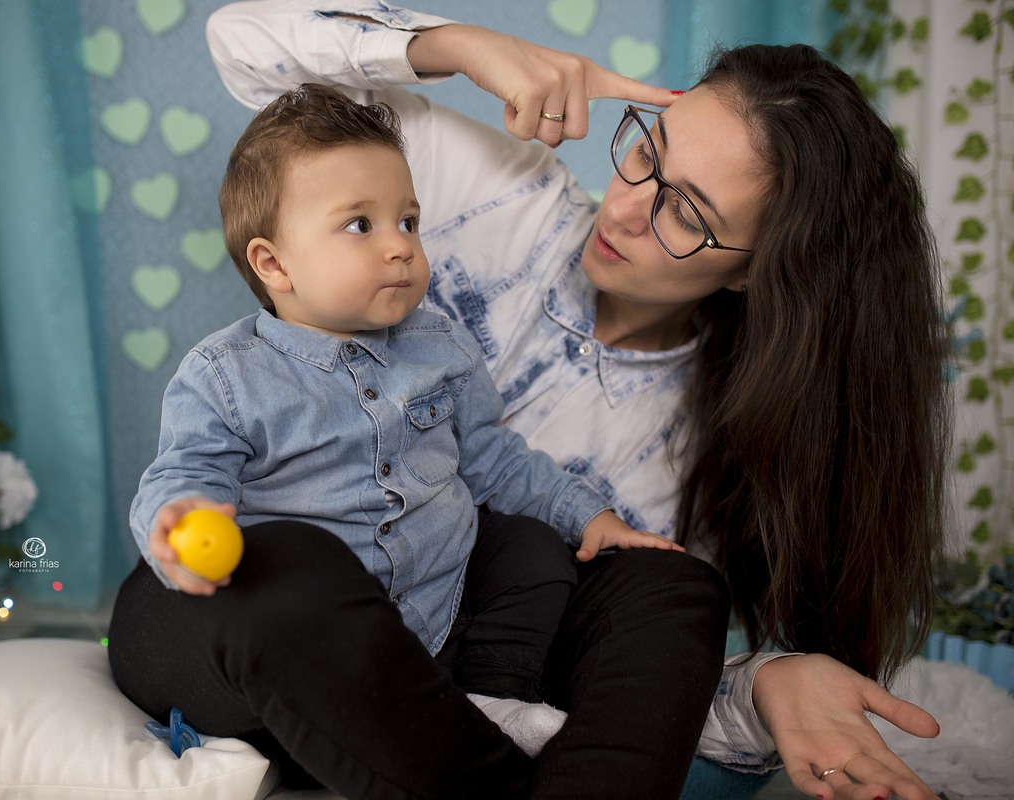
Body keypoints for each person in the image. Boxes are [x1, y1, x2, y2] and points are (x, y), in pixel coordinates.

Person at [201, 3, 953, 800]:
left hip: (466, 671)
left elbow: (634, 684)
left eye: (686, 213)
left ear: (756, 273)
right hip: (288, 618)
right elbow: (243, 48)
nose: (626, 206)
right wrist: (454, 46)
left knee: (670, 588)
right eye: (645, 153)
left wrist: (772, 683)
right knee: (290, 570)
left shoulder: (717, 446)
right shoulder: (493, 195)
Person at [108, 81, 720, 799]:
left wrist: (591, 517)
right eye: (360, 226)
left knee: (528, 548)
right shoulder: (228, 374)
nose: (400, 246)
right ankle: (443, 748)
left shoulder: (439, 346)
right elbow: (186, 471)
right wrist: (183, 518)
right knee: (300, 558)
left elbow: (493, 457)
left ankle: (488, 698)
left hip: (437, 616)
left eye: (409, 220)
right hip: (316, 640)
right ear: (274, 264)